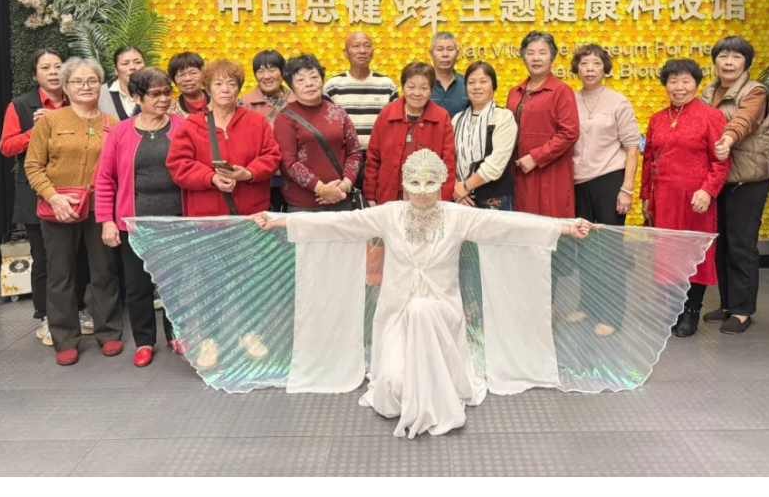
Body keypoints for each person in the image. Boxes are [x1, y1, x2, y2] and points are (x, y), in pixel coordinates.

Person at [252, 149, 592, 437]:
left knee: (421, 310)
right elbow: (340, 224)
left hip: (441, 315)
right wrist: (282, 221)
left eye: (431, 184)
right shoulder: (390, 215)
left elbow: (508, 225)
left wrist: (563, 227)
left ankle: (437, 400)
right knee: (393, 391)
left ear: (442, 182)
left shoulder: (456, 217)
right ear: (404, 184)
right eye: (415, 183)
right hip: (394, 317)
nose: (424, 191)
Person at [24, 56, 125, 365]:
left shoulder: (113, 125)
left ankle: (109, 333)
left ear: (100, 85)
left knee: (104, 271)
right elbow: (33, 166)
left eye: (92, 80)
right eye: (78, 81)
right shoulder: (50, 121)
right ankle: (65, 338)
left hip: (99, 209)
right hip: (58, 209)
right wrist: (53, 197)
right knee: (60, 274)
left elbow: (119, 171)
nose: (85, 86)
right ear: (66, 86)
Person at [0, 48, 94, 344]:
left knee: (78, 255)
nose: (53, 72)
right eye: (45, 68)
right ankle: (45, 316)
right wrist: (38, 129)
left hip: (76, 192)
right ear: (35, 75)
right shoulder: (20, 105)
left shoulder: (78, 100)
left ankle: (78, 308)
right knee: (44, 258)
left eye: (57, 66)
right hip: (35, 191)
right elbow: (7, 146)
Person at [94, 67, 186, 366]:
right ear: (137, 96)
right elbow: (105, 179)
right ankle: (144, 341)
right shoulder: (120, 132)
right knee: (137, 286)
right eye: (155, 94)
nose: (163, 99)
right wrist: (107, 220)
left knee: (175, 283)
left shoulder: (183, 126)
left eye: (167, 92)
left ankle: (176, 334)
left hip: (176, 219)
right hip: (135, 222)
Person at [641, 58, 731, 338]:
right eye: (673, 81)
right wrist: (646, 197)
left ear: (696, 84)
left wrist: (708, 190)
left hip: (696, 199)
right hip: (664, 198)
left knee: (694, 255)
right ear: (665, 84)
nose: (679, 87)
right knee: (669, 256)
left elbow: (721, 161)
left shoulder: (711, 116)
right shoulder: (657, 118)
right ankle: (674, 309)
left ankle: (691, 311)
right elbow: (648, 160)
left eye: (685, 81)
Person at [698, 36, 769, 334]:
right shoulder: (707, 91)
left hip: (747, 179)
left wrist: (727, 139)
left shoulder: (756, 91)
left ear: (746, 62)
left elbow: (744, 121)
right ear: (715, 61)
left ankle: (743, 310)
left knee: (741, 245)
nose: (729, 62)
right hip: (718, 178)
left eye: (735, 57)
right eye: (723, 56)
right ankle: (727, 304)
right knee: (721, 244)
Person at [567, 43, 643, 337]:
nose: (590, 69)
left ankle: (612, 313)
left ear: (605, 68)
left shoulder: (618, 102)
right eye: (585, 63)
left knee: (610, 251)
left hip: (610, 180)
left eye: (596, 63)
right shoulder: (568, 99)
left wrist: (627, 189)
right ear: (576, 68)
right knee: (584, 248)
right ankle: (587, 304)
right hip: (577, 182)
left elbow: (632, 147)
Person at [166, 58, 282, 218]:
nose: (225, 89)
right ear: (208, 89)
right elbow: (178, 164)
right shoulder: (191, 126)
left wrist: (249, 173)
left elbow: (272, 156)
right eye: (218, 84)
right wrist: (211, 178)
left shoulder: (257, 122)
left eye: (231, 84)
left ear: (238, 89)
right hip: (207, 215)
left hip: (253, 213)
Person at [272, 54, 362, 211]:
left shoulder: (338, 112)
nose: (309, 84)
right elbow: (288, 163)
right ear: (292, 87)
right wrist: (322, 189)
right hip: (303, 205)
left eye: (314, 77)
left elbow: (354, 153)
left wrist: (344, 186)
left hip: (342, 199)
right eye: (300, 80)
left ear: (322, 80)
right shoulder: (285, 118)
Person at [505, 31, 580, 218]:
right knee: (521, 224)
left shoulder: (562, 91)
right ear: (523, 57)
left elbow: (569, 133)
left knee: (549, 225)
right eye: (530, 53)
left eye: (542, 52)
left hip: (549, 172)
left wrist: (536, 157)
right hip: (518, 172)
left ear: (552, 57)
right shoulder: (514, 92)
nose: (536, 58)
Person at [364, 62, 456, 206]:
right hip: (389, 195)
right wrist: (370, 196)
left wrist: (443, 201)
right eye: (411, 87)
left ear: (431, 90)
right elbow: (373, 158)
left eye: (424, 88)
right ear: (403, 87)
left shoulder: (441, 117)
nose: (417, 93)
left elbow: (448, 163)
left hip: (428, 198)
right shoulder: (387, 113)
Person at [322, 31, 398, 190]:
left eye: (366, 46)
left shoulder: (387, 85)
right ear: (345, 53)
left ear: (373, 51)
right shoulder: (332, 86)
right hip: (344, 161)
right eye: (356, 46)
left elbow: (395, 127)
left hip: (378, 160)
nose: (362, 50)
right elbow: (326, 128)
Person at [450, 61, 517, 210]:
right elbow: (448, 157)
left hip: (494, 199)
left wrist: (465, 186)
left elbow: (496, 163)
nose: (477, 87)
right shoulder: (457, 119)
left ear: (493, 85)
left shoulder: (503, 117)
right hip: (460, 198)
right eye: (471, 82)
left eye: (483, 81)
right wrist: (456, 187)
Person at [241, 50, 291, 210]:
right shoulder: (244, 103)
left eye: (272, 70)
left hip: (294, 176)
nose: (266, 76)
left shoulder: (297, 100)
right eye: (260, 71)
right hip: (260, 176)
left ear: (282, 72)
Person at [99, 45, 146, 120]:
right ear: (115, 70)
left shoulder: (156, 91)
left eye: (138, 62)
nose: (132, 67)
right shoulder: (100, 93)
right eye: (125, 63)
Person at [429, 31, 469, 119]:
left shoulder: (468, 84)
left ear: (457, 53)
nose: (445, 54)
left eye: (450, 49)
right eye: (440, 49)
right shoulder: (422, 85)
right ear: (431, 54)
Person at [167, 51, 210, 116]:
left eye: (193, 73)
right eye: (181, 75)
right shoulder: (170, 111)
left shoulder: (218, 100)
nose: (188, 79)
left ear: (203, 74)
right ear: (174, 80)